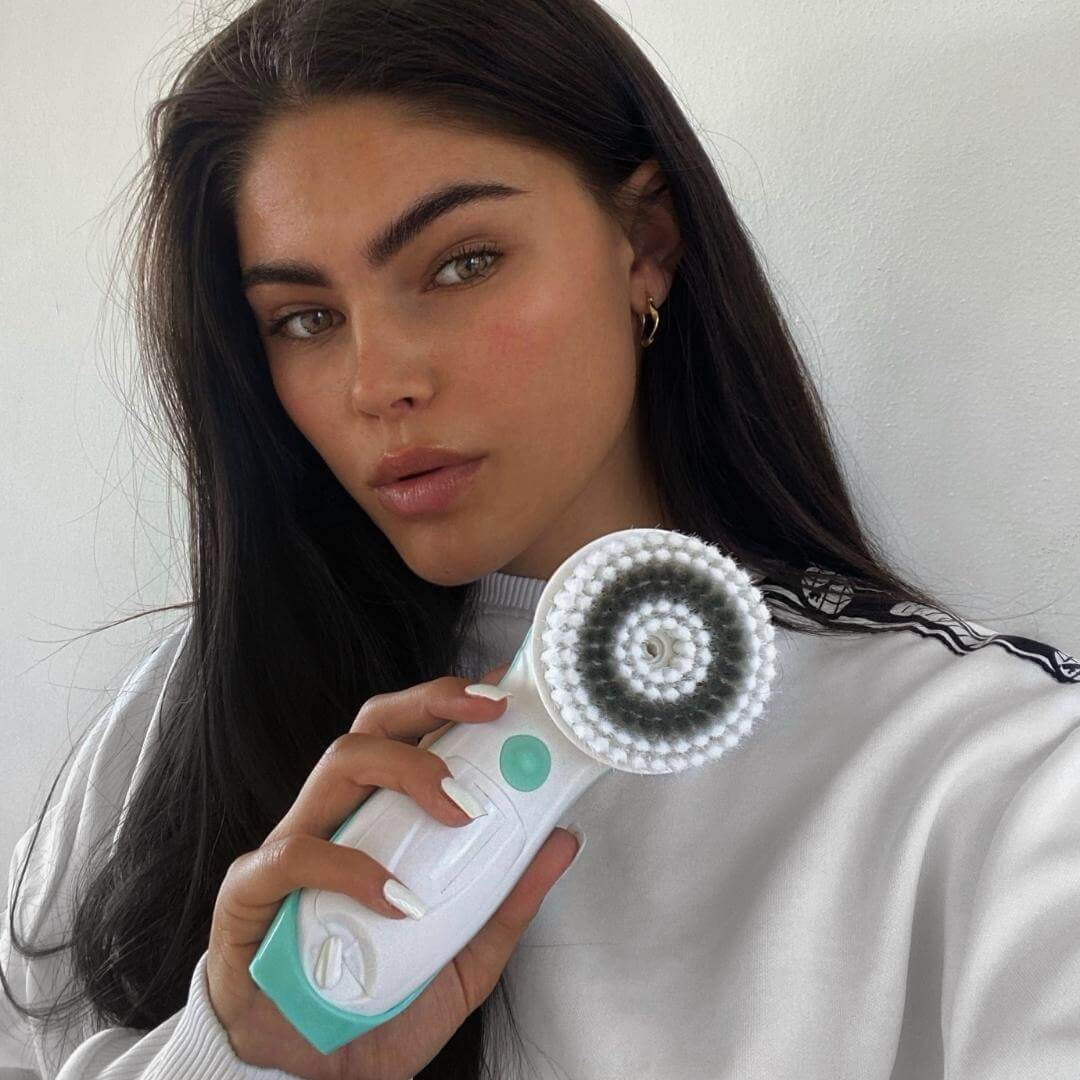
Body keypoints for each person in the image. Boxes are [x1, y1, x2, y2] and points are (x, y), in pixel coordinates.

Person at [3, 0, 1079, 1077]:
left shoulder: (999, 774)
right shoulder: (178, 720)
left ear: (645, 245)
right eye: (305, 318)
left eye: (462, 264)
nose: (378, 383)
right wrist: (242, 1058)